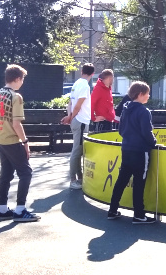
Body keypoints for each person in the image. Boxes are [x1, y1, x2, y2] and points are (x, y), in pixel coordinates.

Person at [0, 64, 40, 222]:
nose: (22, 83)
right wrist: (25, 142)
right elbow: (16, 124)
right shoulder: (16, 97)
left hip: (0, 138)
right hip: (12, 140)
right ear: (17, 79)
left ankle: (2, 209)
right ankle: (20, 210)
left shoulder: (0, 93)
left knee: (5, 175)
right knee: (26, 173)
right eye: (22, 79)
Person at [107, 81, 158, 224]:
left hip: (127, 149)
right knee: (139, 183)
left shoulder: (125, 109)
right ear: (140, 94)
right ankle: (139, 214)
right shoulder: (144, 111)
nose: (149, 95)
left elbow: (121, 130)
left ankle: (112, 210)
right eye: (147, 93)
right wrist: (153, 143)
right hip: (141, 151)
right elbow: (147, 132)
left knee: (121, 180)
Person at [61, 63, 95, 190]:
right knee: (77, 151)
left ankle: (79, 178)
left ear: (81, 71)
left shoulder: (76, 84)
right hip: (81, 121)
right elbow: (78, 105)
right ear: (92, 74)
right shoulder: (85, 86)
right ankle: (73, 180)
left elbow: (70, 103)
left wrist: (69, 116)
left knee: (78, 150)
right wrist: (71, 117)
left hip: (77, 120)